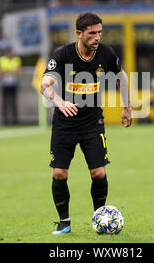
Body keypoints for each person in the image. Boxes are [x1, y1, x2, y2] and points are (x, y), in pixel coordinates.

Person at [40, 12, 132, 235]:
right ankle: (64, 222)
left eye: (100, 32)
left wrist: (127, 107)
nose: (97, 37)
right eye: (92, 33)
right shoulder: (64, 55)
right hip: (65, 123)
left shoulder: (106, 54)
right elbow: (45, 84)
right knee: (59, 174)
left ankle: (100, 217)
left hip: (92, 122)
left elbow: (122, 77)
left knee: (98, 173)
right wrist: (60, 102)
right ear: (79, 34)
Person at [0, 48, 21, 125]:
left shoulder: (16, 59)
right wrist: (11, 70)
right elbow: (1, 72)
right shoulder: (2, 59)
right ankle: (5, 120)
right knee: (5, 103)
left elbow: (18, 71)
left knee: (13, 102)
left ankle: (15, 120)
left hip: (13, 84)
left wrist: (7, 70)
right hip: (4, 84)